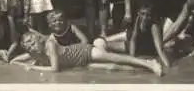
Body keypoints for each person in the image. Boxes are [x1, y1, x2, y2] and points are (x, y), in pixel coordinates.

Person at [11, 31, 163, 76]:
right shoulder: (34, 53)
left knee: (117, 58)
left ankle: (149, 63)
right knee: (113, 68)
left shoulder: (49, 45)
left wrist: (33, 68)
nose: (31, 46)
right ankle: (140, 74)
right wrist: (16, 62)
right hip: (79, 64)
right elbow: (17, 60)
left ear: (39, 39)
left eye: (32, 42)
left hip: (83, 52)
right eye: (27, 45)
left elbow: (54, 69)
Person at [102, 1, 170, 68]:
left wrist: (168, 67)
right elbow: (133, 40)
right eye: (142, 14)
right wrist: (132, 59)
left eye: (147, 15)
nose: (145, 17)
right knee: (104, 44)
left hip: (148, 49)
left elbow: (160, 49)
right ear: (138, 13)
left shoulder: (153, 26)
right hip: (136, 46)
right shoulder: (137, 20)